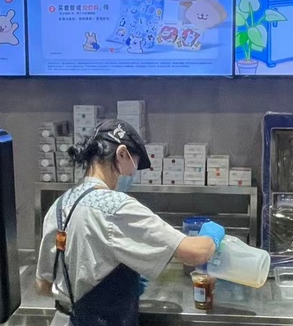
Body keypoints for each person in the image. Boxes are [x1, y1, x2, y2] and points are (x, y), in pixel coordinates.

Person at [35, 119, 225, 326]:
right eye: (133, 166)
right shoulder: (116, 207)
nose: (131, 176)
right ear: (122, 154)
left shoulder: (60, 205)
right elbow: (195, 253)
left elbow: (43, 284)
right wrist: (213, 235)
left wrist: (108, 284)